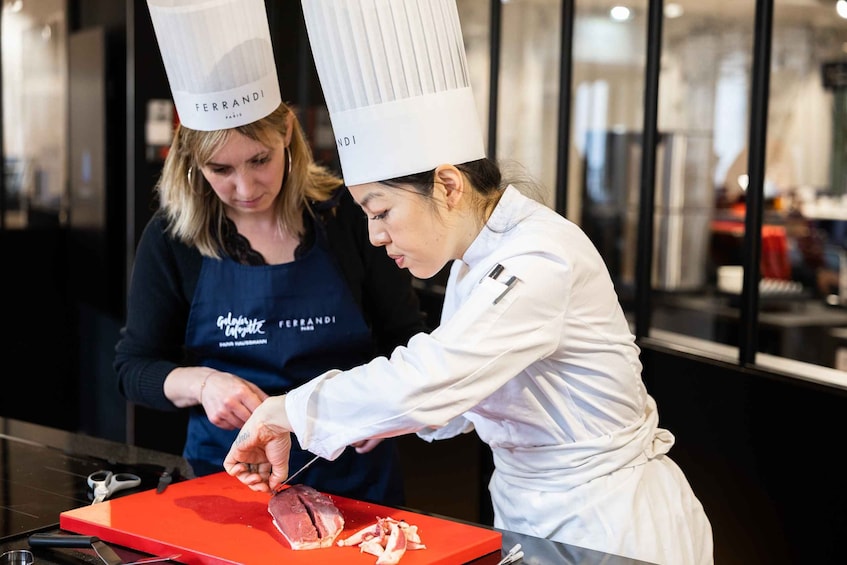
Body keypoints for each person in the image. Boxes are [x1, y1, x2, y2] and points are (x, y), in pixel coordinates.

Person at [224, 0, 713, 563]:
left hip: (609, 526)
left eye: (380, 211)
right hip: (533, 512)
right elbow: (465, 393)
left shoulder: (538, 258)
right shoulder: (473, 261)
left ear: (449, 186)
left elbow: (438, 375)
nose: (376, 237)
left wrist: (289, 409)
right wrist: (381, 421)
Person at [115, 0, 426, 506]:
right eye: (221, 170)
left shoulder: (350, 218)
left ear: (286, 133)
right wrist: (203, 383)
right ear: (192, 160)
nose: (244, 187)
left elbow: (407, 340)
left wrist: (390, 408)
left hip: (354, 479)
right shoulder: (173, 237)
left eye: (259, 160)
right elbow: (133, 368)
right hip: (230, 480)